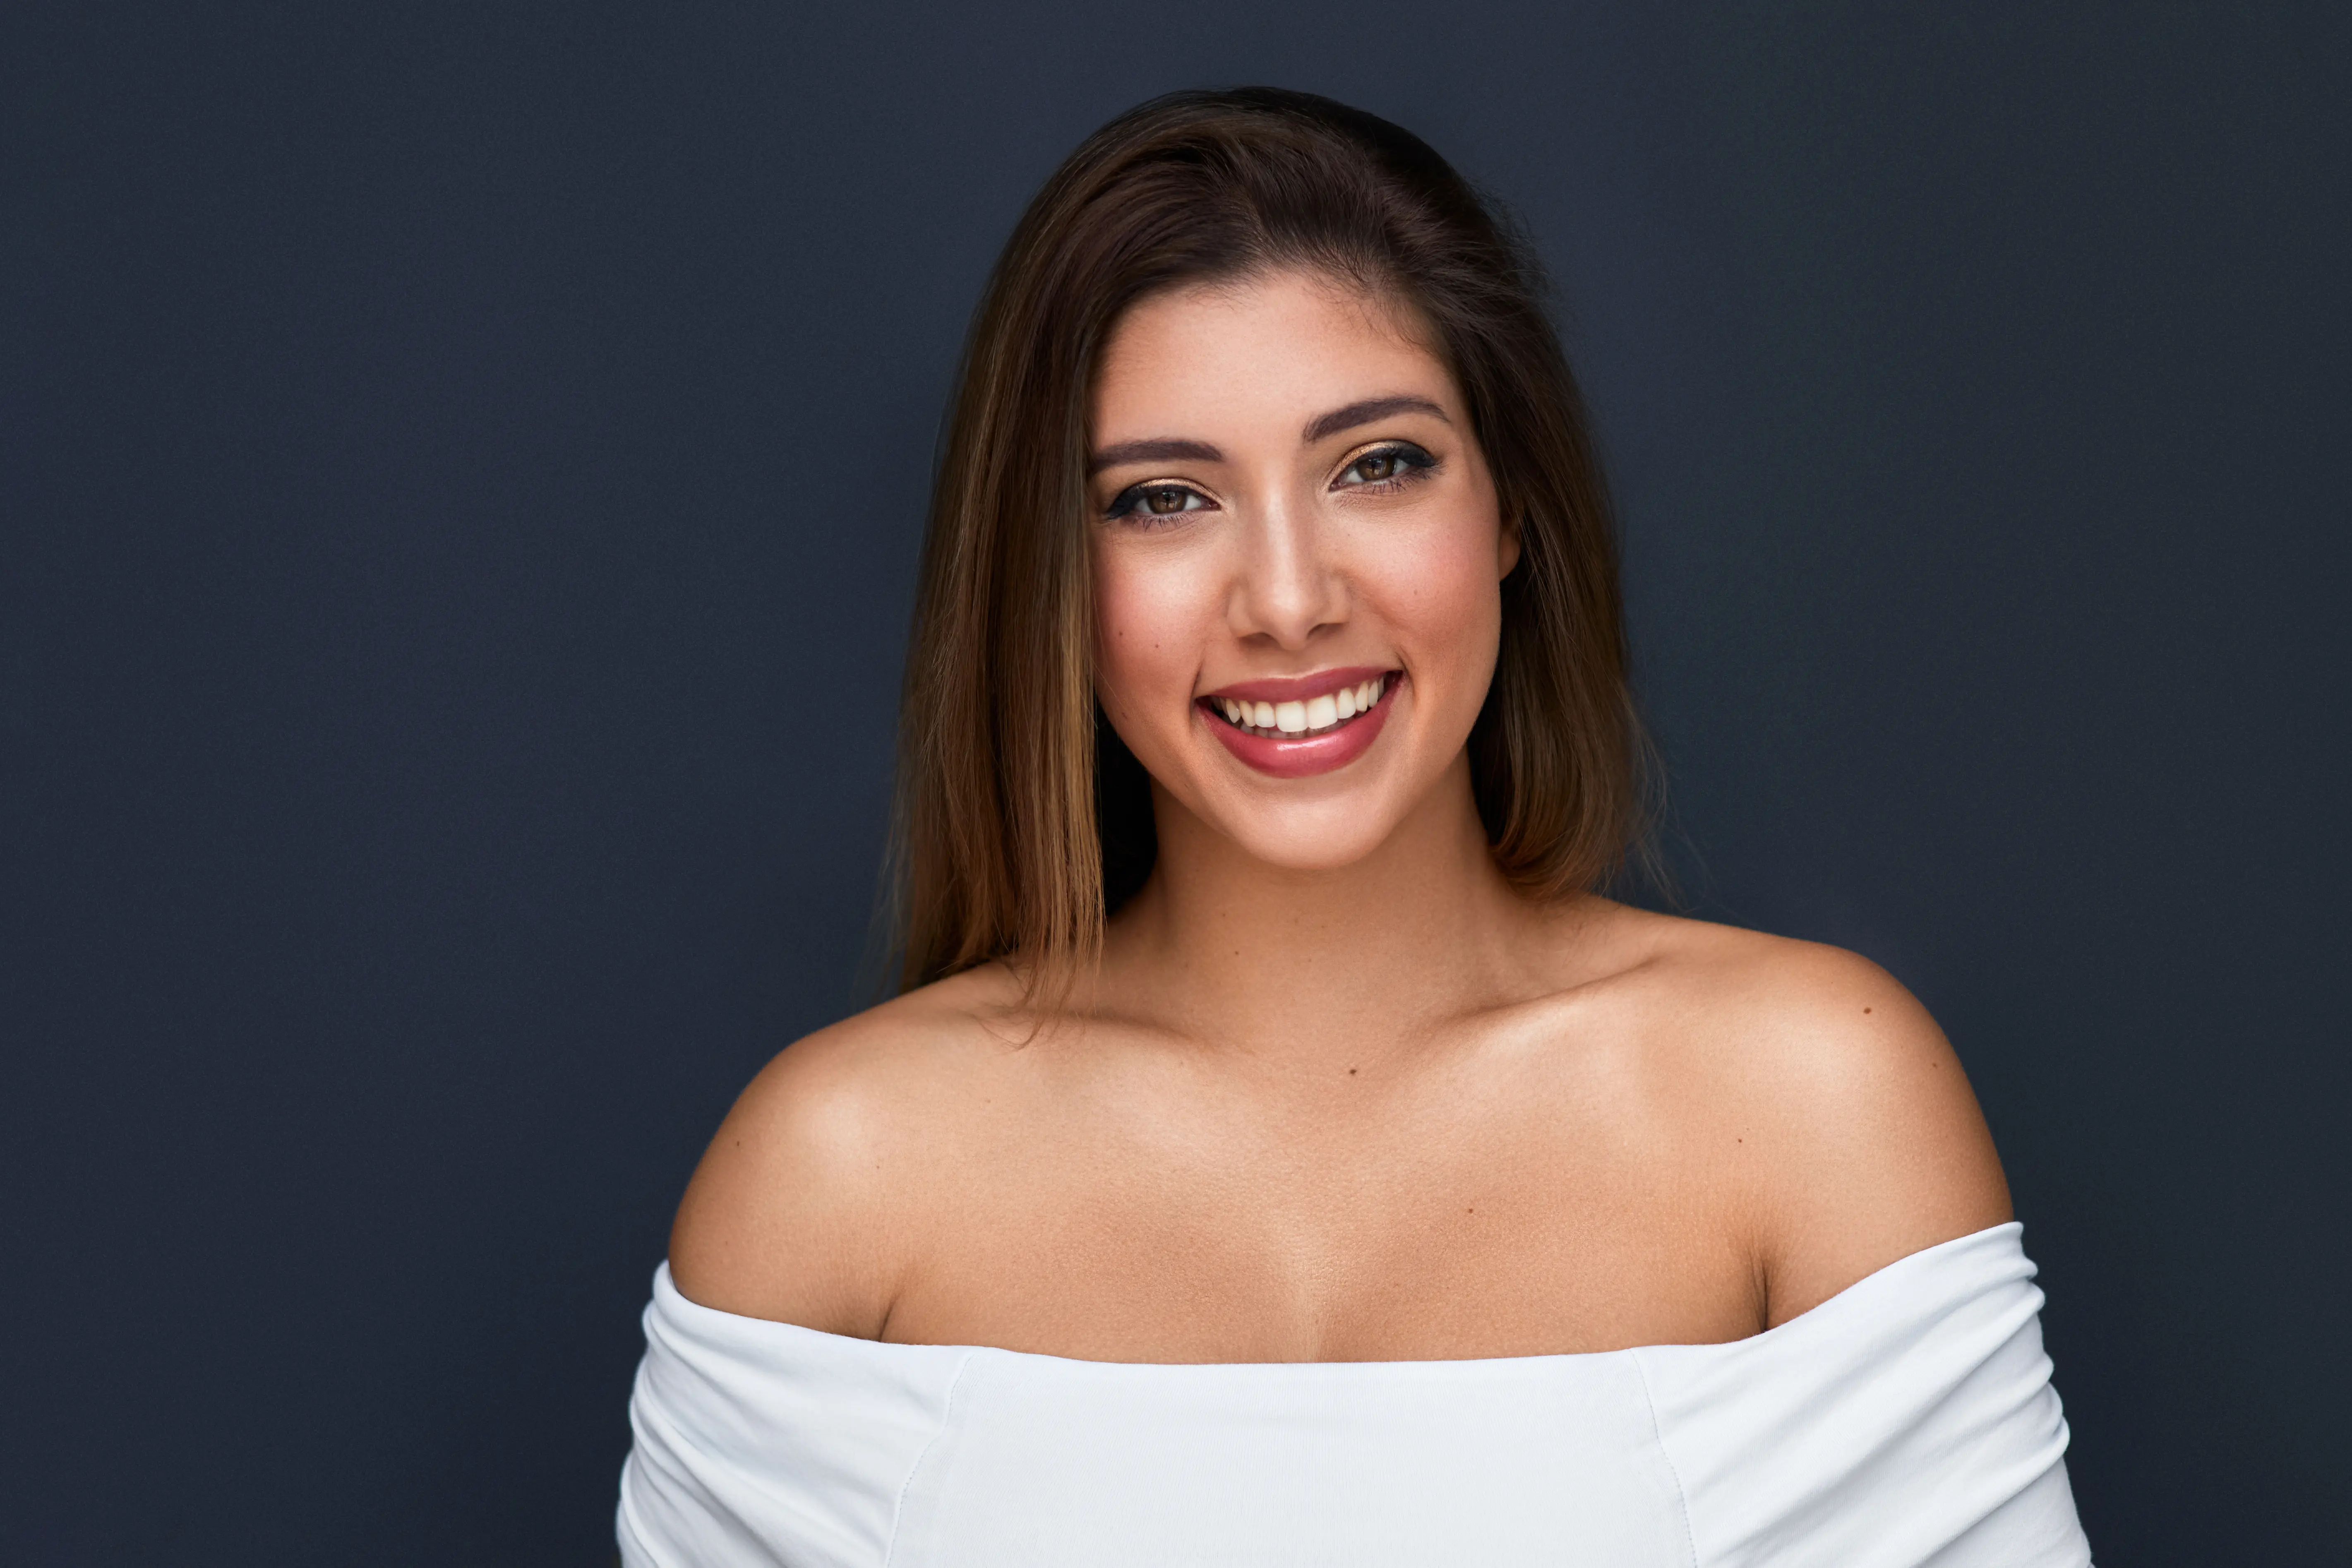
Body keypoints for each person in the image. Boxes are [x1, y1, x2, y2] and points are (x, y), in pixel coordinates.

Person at [617, 87, 2090, 1566]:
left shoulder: (1814, 1105)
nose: (1287, 597)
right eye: (1164, 498)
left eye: (1376, 465)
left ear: (1511, 507)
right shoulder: (835, 1174)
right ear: (1049, 575)